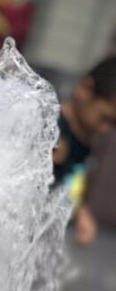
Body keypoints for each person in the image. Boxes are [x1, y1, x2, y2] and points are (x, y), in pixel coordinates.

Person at [52, 55, 116, 247]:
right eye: (105, 119)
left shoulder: (85, 148)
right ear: (85, 89)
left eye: (114, 125)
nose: (105, 130)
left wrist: (82, 213)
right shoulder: (50, 124)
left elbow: (72, 187)